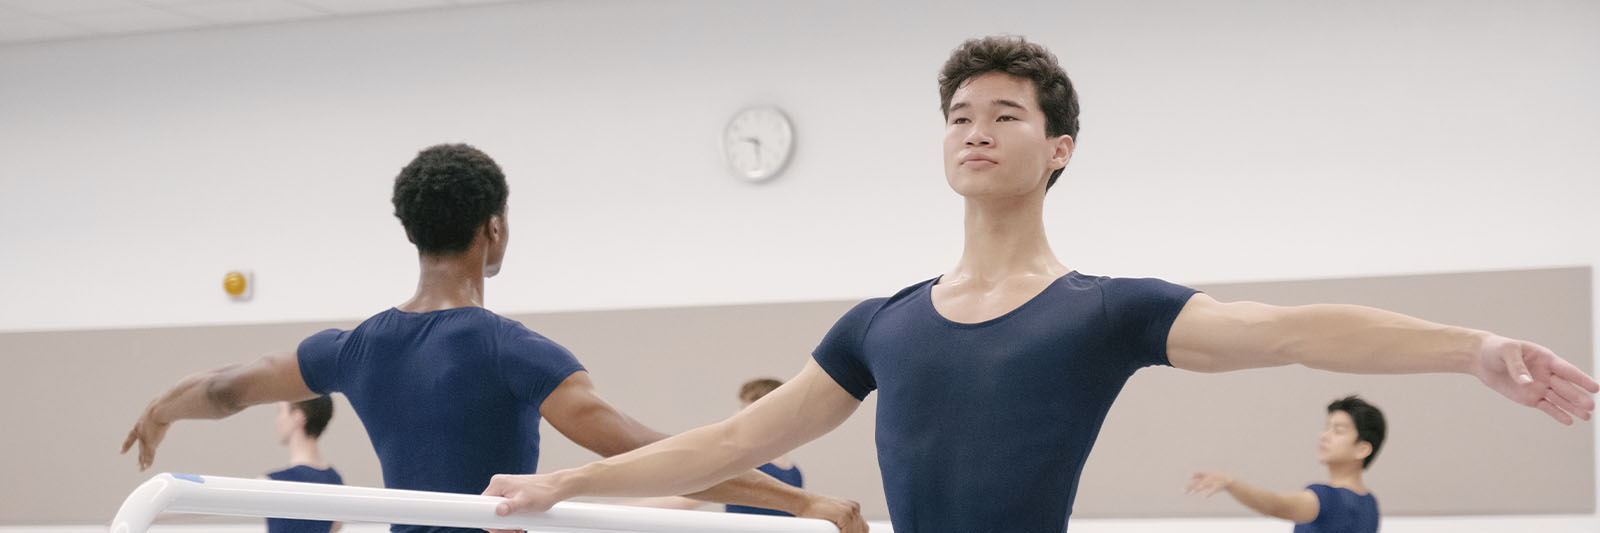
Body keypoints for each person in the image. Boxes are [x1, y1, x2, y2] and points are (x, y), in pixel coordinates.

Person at [480, 36, 1599, 532]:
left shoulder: (1103, 311)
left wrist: (1472, 345)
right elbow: (731, 440)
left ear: (1057, 146)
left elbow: (1294, 330)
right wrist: (564, 488)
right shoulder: (883, 322)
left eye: (1005, 113)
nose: (976, 131)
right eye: (959, 116)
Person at [121, 144, 866, 533]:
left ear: (412, 231)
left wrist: (160, 409)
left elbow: (225, 386)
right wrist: (794, 502)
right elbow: (651, 454)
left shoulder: (353, 347)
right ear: (494, 229)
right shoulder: (513, 350)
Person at [1187, 396, 1385, 532]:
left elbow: (1276, 505)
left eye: (1338, 431)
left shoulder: (1329, 499)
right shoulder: (1370, 504)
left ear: (1362, 449)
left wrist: (1231, 483)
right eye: (1326, 428)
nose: (1324, 436)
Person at [627, 378, 805, 515]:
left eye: (744, 409)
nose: (736, 414)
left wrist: (619, 510)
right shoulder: (794, 471)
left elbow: (686, 500)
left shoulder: (747, 464)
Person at [266, 396, 344, 533]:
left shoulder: (271, 484)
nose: (276, 420)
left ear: (297, 417)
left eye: (280, 411)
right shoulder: (336, 481)